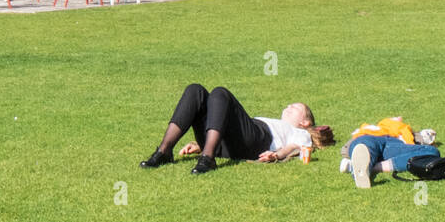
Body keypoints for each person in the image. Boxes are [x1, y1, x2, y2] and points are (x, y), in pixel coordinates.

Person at [139, 84, 330, 175]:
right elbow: (224, 123)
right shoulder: (276, 121)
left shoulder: (300, 132)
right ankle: (164, 151)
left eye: (296, 108)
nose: (289, 106)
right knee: (195, 91)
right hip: (229, 144)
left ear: (305, 122)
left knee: (220, 93)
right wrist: (198, 143)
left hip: (256, 141)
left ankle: (208, 158)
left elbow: (297, 148)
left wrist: (278, 155)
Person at [340, 118, 441, 189]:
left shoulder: (412, 136)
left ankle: (364, 167)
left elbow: (427, 144)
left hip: (393, 147)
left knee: (432, 152)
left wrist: (422, 138)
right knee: (365, 146)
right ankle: (361, 169)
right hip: (369, 139)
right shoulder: (379, 127)